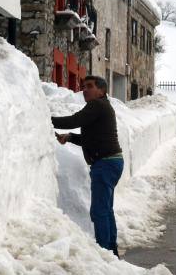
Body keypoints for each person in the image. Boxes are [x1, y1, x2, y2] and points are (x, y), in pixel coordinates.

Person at [52, 76, 124, 258]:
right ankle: (111, 251)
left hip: (105, 164)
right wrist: (69, 137)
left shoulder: (97, 105)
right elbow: (90, 139)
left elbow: (75, 120)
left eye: (90, 86)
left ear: (101, 91)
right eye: (83, 86)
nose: (85, 90)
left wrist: (47, 117)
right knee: (106, 209)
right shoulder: (103, 107)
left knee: (99, 211)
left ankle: (105, 253)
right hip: (112, 162)